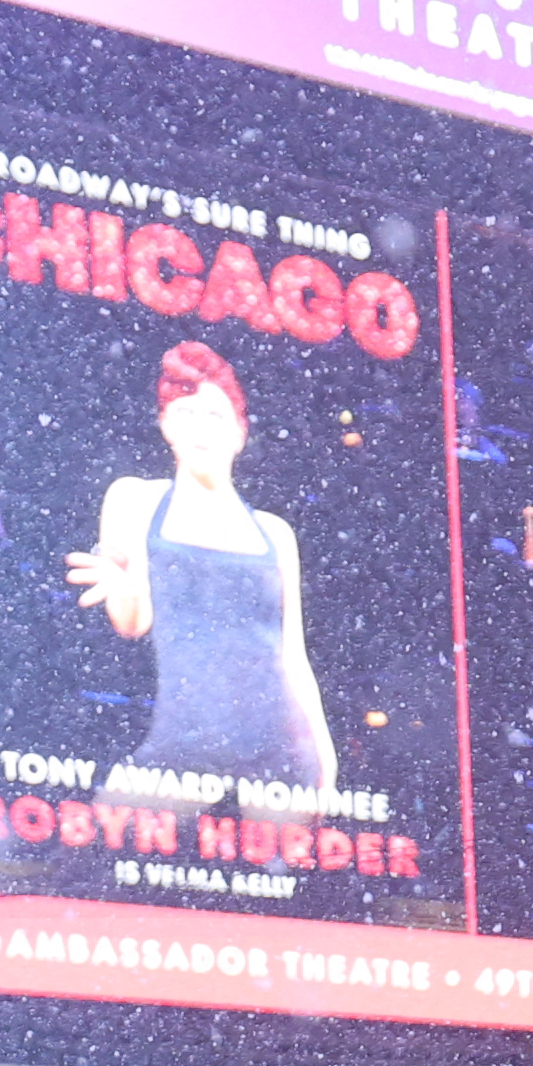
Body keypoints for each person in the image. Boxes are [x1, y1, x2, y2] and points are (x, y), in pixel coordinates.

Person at [72, 340, 335, 796]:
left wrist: (326, 764)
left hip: (280, 749)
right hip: (182, 739)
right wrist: (128, 581)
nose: (201, 430)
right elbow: (132, 623)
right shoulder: (136, 498)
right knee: (102, 843)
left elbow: (292, 655)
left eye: (215, 416)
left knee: (283, 864)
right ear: (165, 425)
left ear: (239, 432)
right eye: (186, 414)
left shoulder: (275, 533)